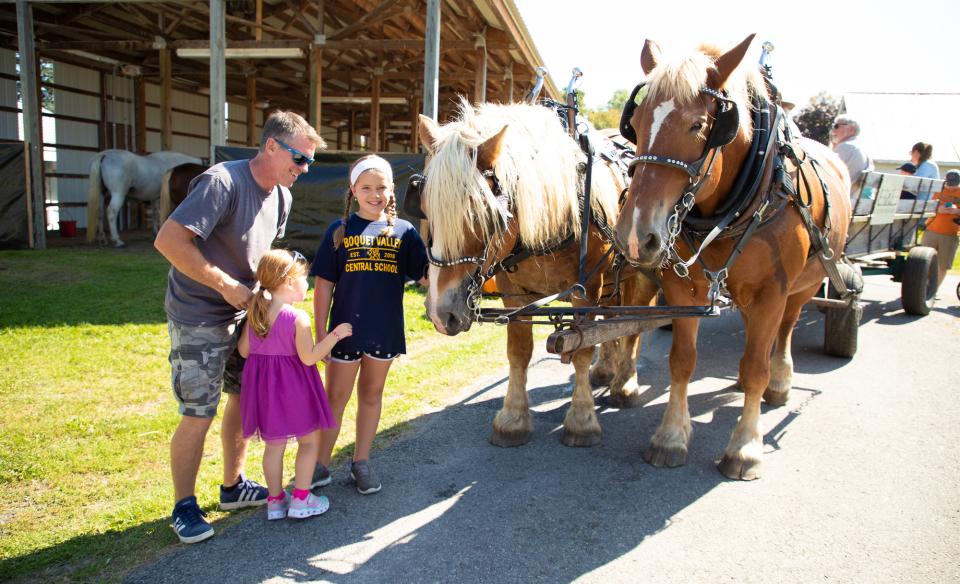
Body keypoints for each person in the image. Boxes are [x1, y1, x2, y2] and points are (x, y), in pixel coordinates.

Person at [154, 110, 325, 544]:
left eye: (309, 163)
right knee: (198, 411)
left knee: (242, 397)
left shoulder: (281, 196)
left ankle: (232, 487)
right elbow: (169, 241)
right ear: (270, 146)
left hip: (246, 317)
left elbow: (263, 263)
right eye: (298, 159)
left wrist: (272, 301)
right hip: (199, 315)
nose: (303, 170)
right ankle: (184, 506)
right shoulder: (222, 182)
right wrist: (227, 285)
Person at [309, 154, 428, 495]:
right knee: (335, 398)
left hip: (384, 329)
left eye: (381, 187)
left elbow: (423, 275)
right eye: (367, 188)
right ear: (353, 191)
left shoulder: (405, 233)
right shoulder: (340, 230)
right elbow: (323, 286)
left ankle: (361, 462)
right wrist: (321, 336)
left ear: (392, 190)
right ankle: (320, 464)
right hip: (343, 333)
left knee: (372, 396)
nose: (375, 194)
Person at [238, 249, 352, 520]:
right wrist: (335, 335)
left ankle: (275, 501)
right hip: (294, 389)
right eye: (304, 277)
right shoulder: (296, 318)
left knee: (274, 446)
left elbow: (244, 351)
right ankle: (301, 498)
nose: (307, 283)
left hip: (264, 391)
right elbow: (309, 357)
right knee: (309, 442)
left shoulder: (257, 312)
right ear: (289, 282)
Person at [920, 169, 960, 292]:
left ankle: (932, 291)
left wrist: (956, 211)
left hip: (951, 234)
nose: (951, 186)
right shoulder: (938, 188)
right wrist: (938, 209)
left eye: (954, 183)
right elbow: (928, 205)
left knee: (943, 265)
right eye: (949, 183)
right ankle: (919, 289)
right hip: (931, 230)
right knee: (922, 262)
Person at [830, 114, 874, 187]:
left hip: (842, 196)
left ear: (851, 129)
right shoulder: (862, 147)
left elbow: (825, 173)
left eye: (836, 126)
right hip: (856, 195)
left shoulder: (845, 147)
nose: (833, 131)